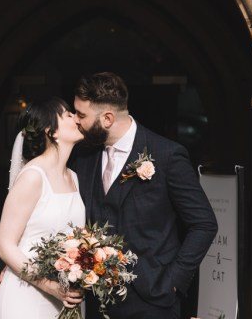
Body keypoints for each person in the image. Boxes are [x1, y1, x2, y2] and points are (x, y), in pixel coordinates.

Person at [70, 72, 218, 319]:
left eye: (81, 115)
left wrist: (173, 280)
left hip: (153, 299)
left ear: (107, 118)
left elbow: (204, 223)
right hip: (97, 301)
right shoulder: (84, 157)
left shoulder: (168, 155)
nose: (75, 120)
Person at [0, 97, 86, 319]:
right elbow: (4, 245)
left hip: (65, 294)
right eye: (68, 114)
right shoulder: (33, 177)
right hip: (27, 293)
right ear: (51, 131)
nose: (77, 118)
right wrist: (49, 286)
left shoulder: (73, 177)